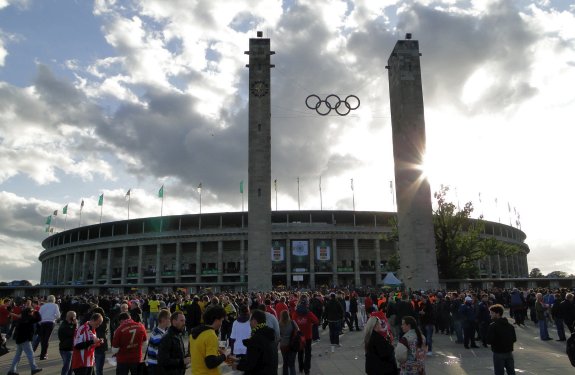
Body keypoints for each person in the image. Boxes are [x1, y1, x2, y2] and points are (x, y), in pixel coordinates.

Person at [234, 309, 279, 374]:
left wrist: (237, 366)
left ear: (254, 321)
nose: (249, 323)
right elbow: (259, 358)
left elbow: (250, 364)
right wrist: (238, 360)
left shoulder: (256, 339)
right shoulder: (270, 334)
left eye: (250, 320)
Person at [189, 305, 228, 375]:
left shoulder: (193, 334)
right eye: (221, 320)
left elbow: (200, 353)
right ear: (216, 320)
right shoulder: (211, 335)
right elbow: (211, 363)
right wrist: (224, 355)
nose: (221, 324)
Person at [7, 307, 43, 375]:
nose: (32, 313)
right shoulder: (29, 318)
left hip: (19, 339)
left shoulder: (21, 319)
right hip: (25, 339)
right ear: (29, 313)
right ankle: (34, 368)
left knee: (17, 355)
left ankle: (12, 371)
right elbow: (39, 319)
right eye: (31, 312)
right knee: (30, 354)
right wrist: (36, 311)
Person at [291, 296, 319, 375]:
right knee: (308, 353)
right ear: (306, 305)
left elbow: (293, 322)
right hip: (308, 336)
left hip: (299, 336)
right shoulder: (309, 313)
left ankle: (301, 368)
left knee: (300, 352)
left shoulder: (295, 313)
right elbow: (316, 321)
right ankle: (307, 369)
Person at [486, 304, 516, 375]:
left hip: (498, 353)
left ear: (497, 314)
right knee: (511, 372)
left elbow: (488, 341)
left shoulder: (493, 326)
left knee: (499, 372)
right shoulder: (510, 326)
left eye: (492, 313)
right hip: (509, 352)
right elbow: (514, 339)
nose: (490, 315)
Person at [36, 294, 61, 360]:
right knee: (46, 339)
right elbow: (58, 315)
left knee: (43, 339)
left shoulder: (43, 306)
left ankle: (43, 353)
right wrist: (54, 318)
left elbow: (38, 315)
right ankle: (43, 354)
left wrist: (40, 322)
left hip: (42, 322)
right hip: (50, 322)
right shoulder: (55, 305)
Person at [147, 309, 171, 375]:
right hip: (156, 367)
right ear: (163, 319)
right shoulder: (158, 335)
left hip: (155, 365)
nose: (170, 321)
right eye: (169, 318)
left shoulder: (159, 331)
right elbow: (160, 355)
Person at [58, 311, 78, 375]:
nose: (75, 318)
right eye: (74, 317)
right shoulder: (64, 326)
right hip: (66, 349)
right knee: (67, 367)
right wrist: (75, 325)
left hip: (69, 348)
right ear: (71, 317)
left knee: (71, 366)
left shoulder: (68, 324)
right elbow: (72, 333)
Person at [92, 307, 110, 375]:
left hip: (99, 343)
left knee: (98, 366)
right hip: (102, 343)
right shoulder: (106, 320)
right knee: (99, 367)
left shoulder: (100, 322)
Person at [279, 310, 297, 375]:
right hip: (292, 344)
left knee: (285, 362)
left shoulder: (279, 324)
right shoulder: (292, 322)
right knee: (292, 364)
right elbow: (298, 331)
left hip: (283, 345)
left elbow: (278, 335)